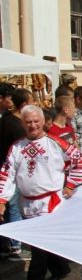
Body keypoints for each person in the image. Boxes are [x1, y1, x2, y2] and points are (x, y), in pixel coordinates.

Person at [0, 105, 82, 280]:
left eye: (36, 121)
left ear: (42, 121)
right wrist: (2, 200)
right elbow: (7, 174)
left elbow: (80, 161)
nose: (32, 125)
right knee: (44, 245)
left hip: (50, 204)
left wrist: (70, 185)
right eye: (28, 122)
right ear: (23, 124)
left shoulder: (55, 143)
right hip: (27, 204)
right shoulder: (17, 147)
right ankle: (60, 268)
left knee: (38, 250)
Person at [0, 88, 33, 262]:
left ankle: (7, 245)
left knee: (9, 208)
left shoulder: (7, 118)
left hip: (9, 169)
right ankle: (15, 247)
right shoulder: (16, 125)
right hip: (12, 171)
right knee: (14, 207)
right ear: (24, 104)